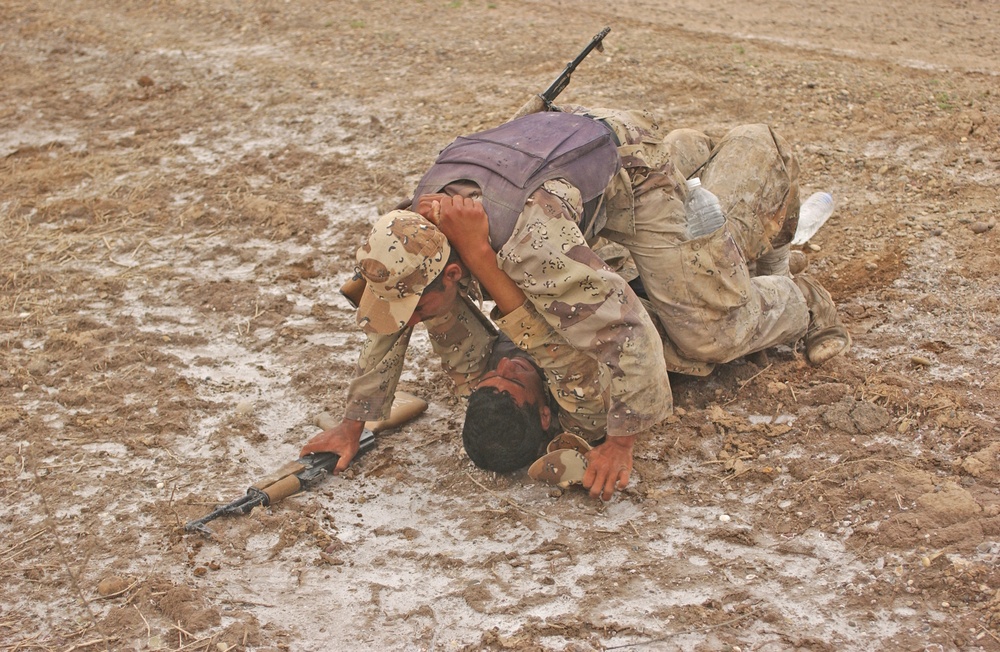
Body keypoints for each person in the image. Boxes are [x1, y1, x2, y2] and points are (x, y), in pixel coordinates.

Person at [302, 105, 850, 500]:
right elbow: (392, 313)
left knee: (708, 332)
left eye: (420, 307)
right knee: (692, 293)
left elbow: (627, 332)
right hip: (561, 163)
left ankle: (802, 296)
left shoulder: (532, 251)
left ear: (451, 270)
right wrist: (354, 422)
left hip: (626, 171)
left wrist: (621, 442)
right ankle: (692, 153)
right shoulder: (414, 228)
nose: (413, 322)